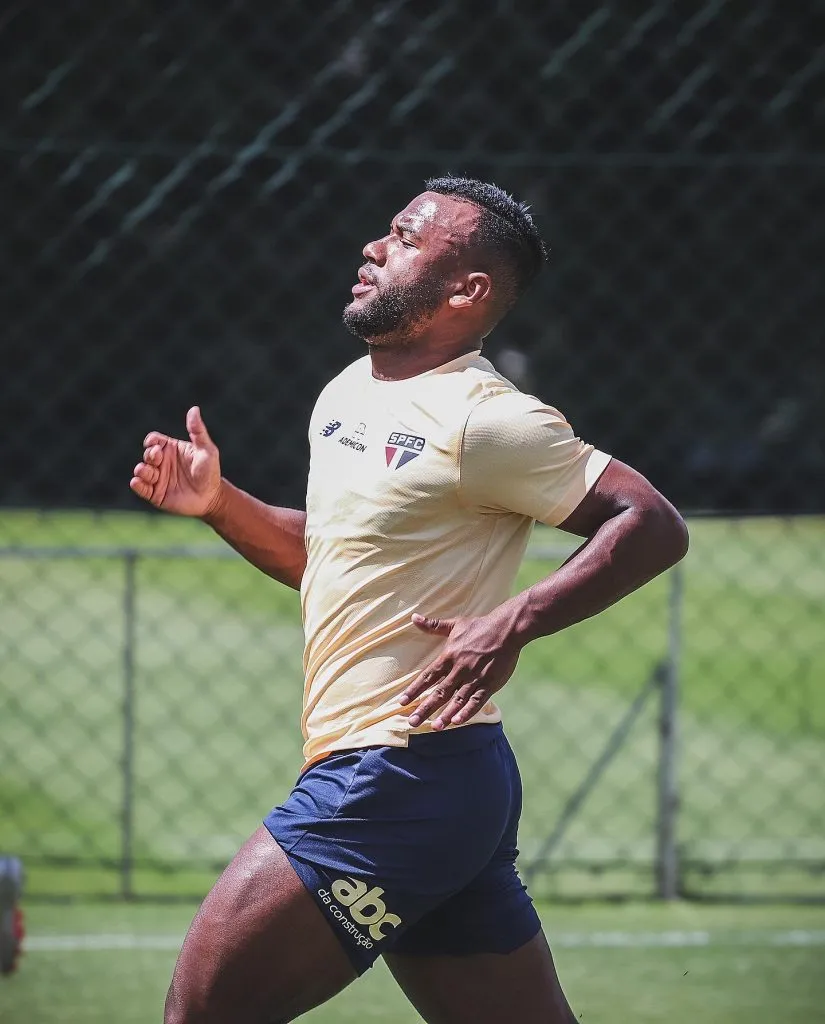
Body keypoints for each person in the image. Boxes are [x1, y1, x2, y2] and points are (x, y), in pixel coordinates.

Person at [130, 176, 689, 1024]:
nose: (373, 247)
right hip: (440, 781)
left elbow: (651, 522)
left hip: (395, 775)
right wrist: (220, 503)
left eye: (405, 238)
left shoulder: (488, 419)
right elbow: (330, 560)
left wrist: (513, 621)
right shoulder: (348, 391)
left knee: (201, 1015)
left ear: (467, 291)